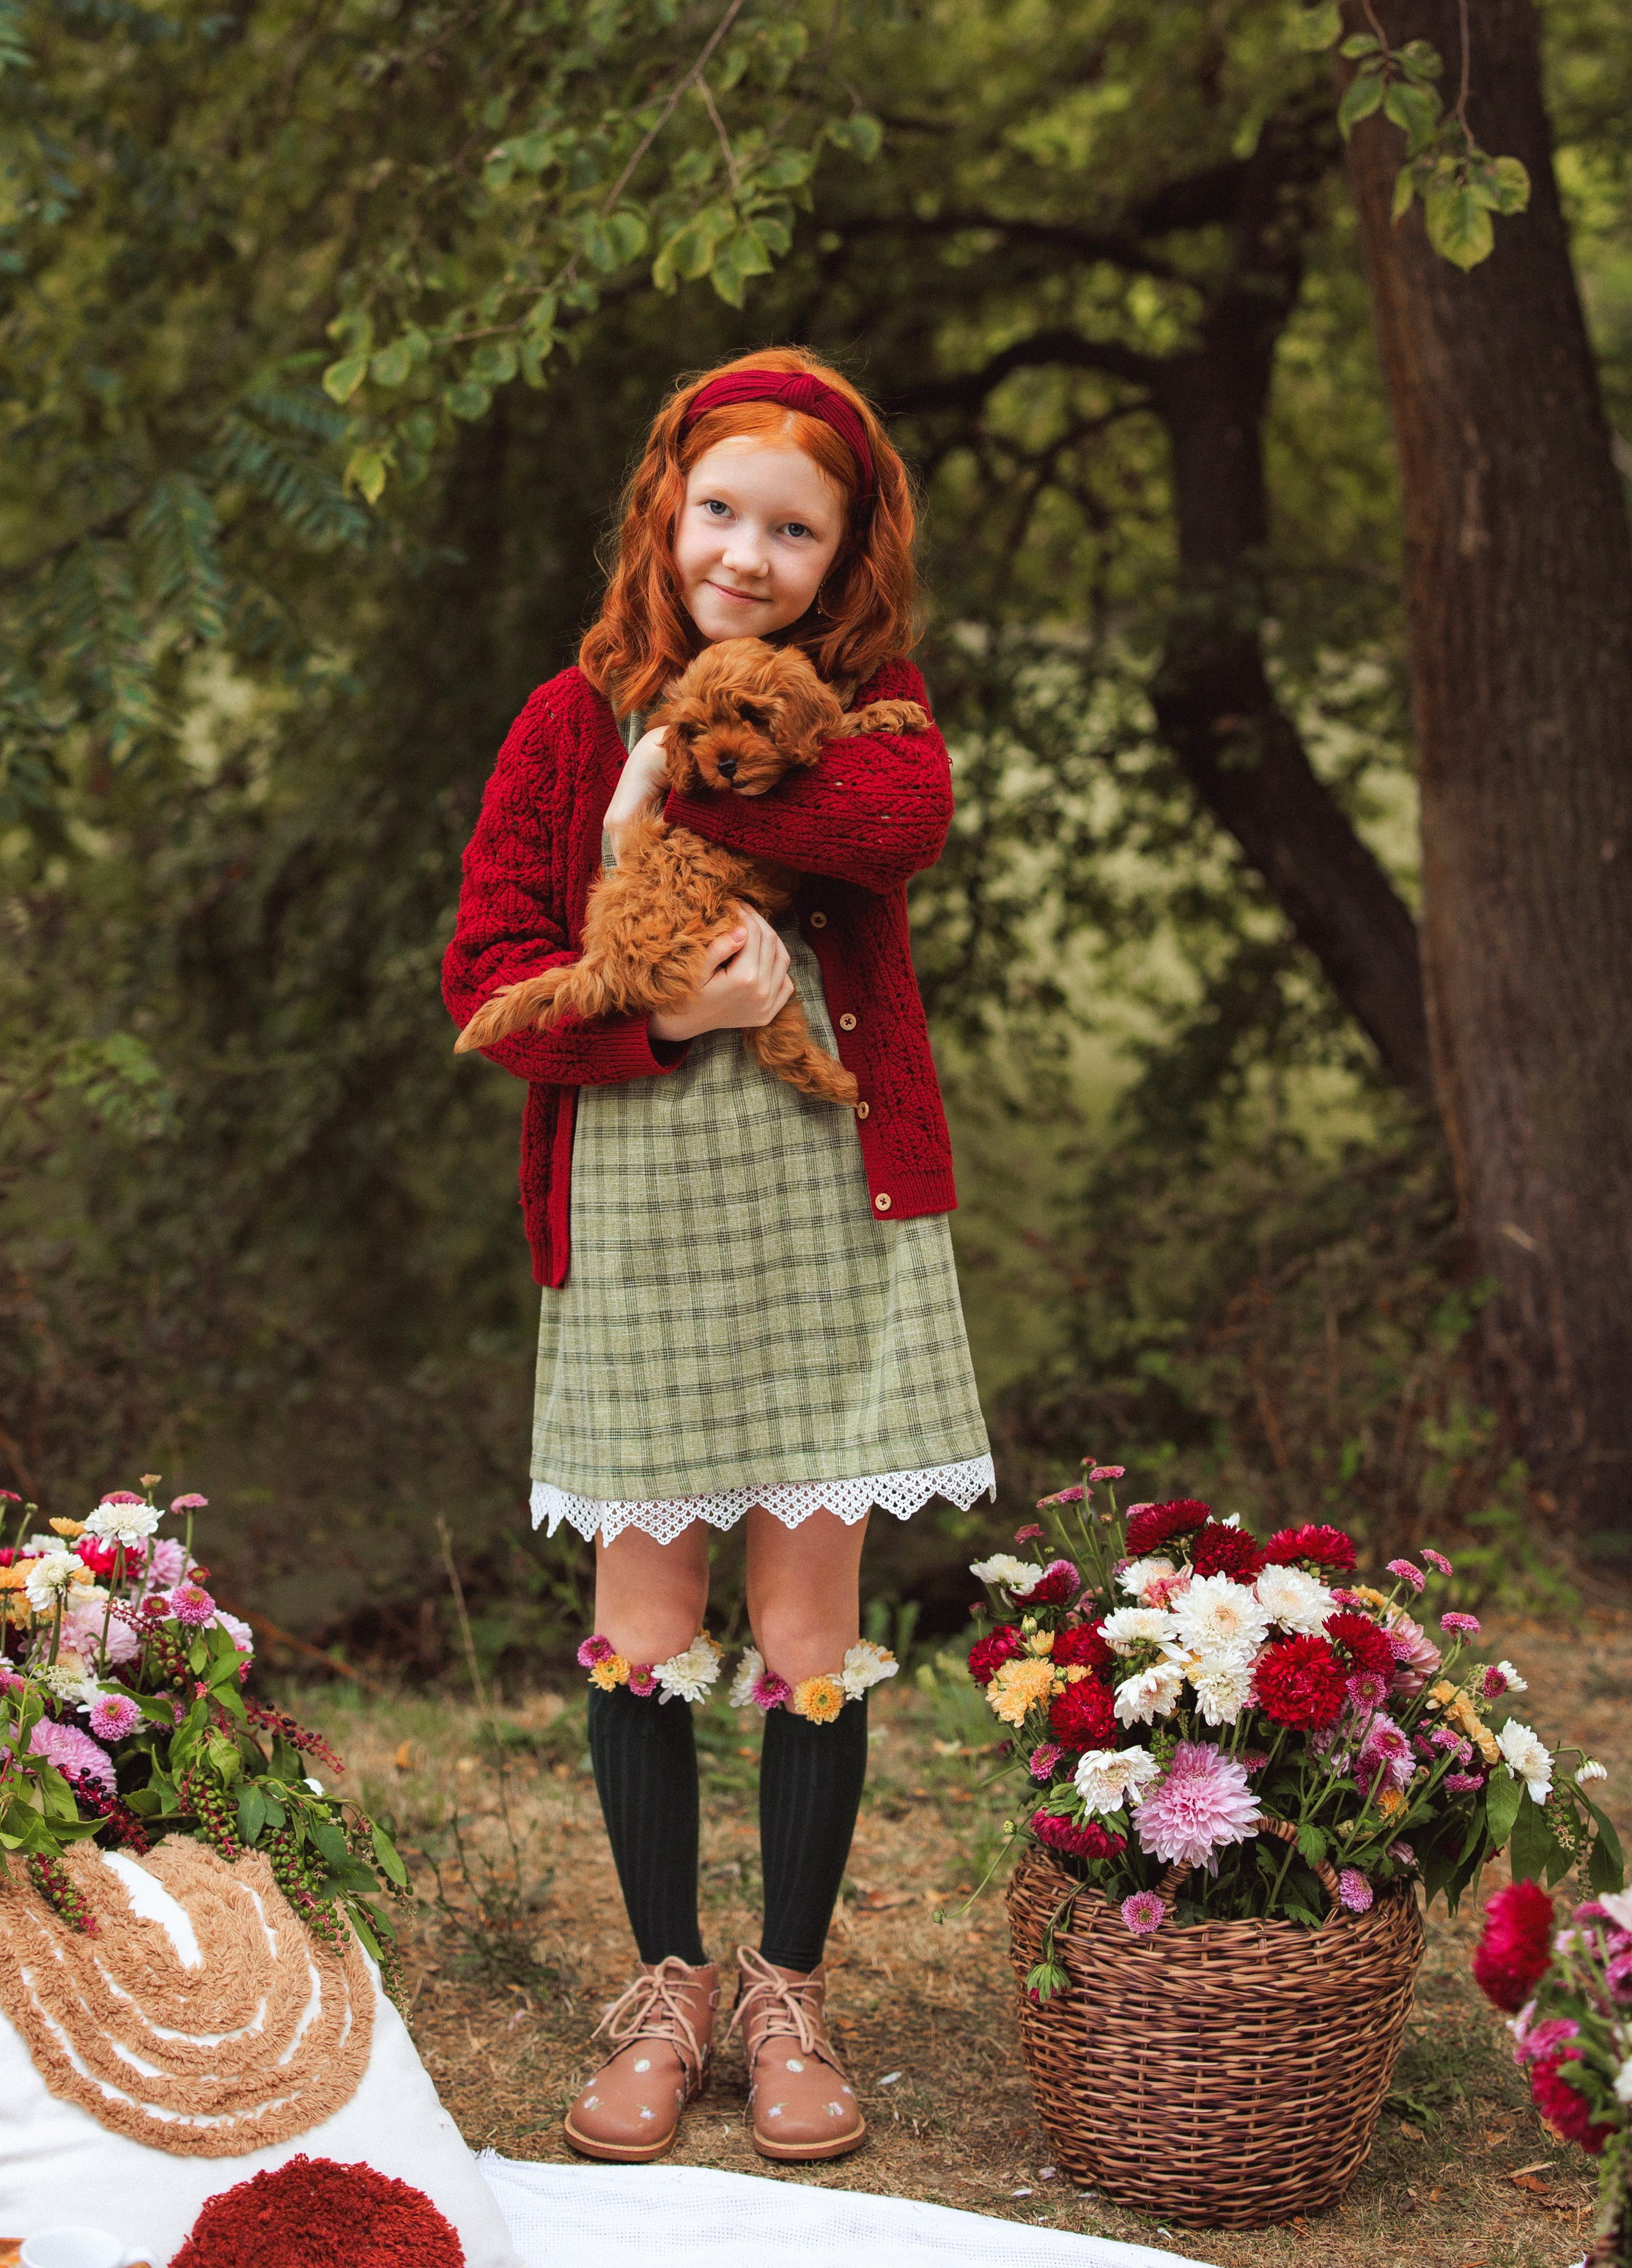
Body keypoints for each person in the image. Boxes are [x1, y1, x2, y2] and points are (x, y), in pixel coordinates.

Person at [443, 348, 992, 2166]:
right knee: (643, 1621)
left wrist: (666, 790)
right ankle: (667, 1981)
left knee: (803, 1625)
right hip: (639, 1211)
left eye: (792, 531)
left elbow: (886, 825)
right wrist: (660, 1006)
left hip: (829, 1195)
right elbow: (490, 979)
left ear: (842, 558)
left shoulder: (875, 710)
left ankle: (790, 1986)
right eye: (718, 515)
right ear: (663, 512)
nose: (745, 556)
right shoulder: (552, 721)